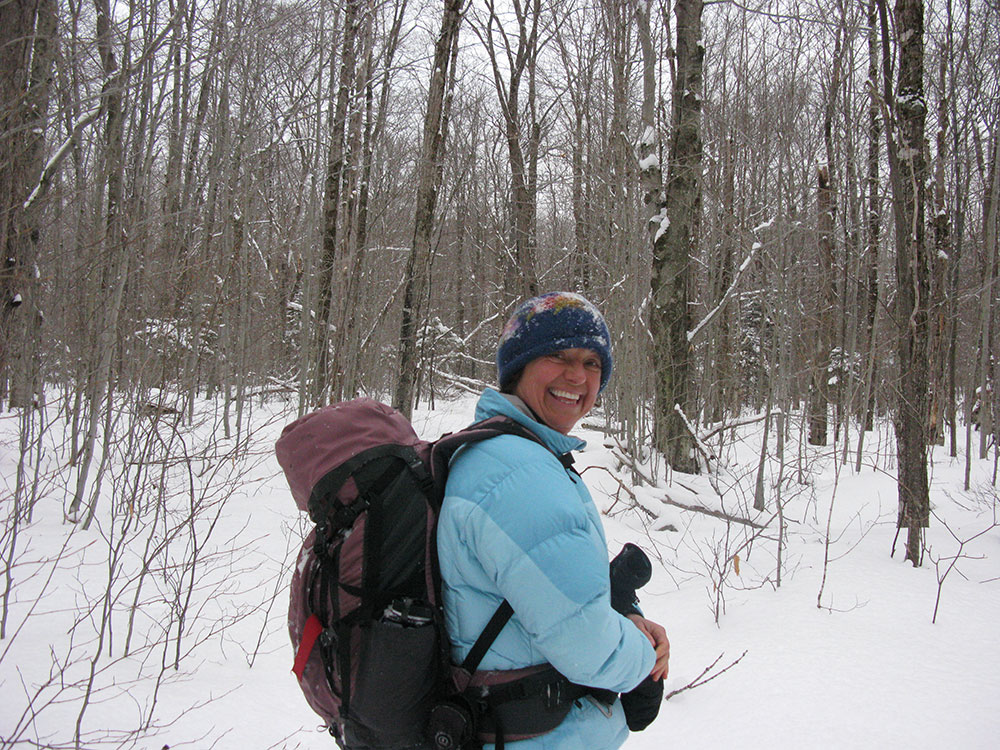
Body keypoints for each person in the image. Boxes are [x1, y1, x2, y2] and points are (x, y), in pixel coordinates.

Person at [437, 291, 670, 749]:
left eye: (591, 363)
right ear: (518, 367)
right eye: (558, 355)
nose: (577, 376)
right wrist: (647, 658)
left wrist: (624, 615)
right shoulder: (519, 472)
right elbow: (588, 648)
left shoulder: (503, 452)